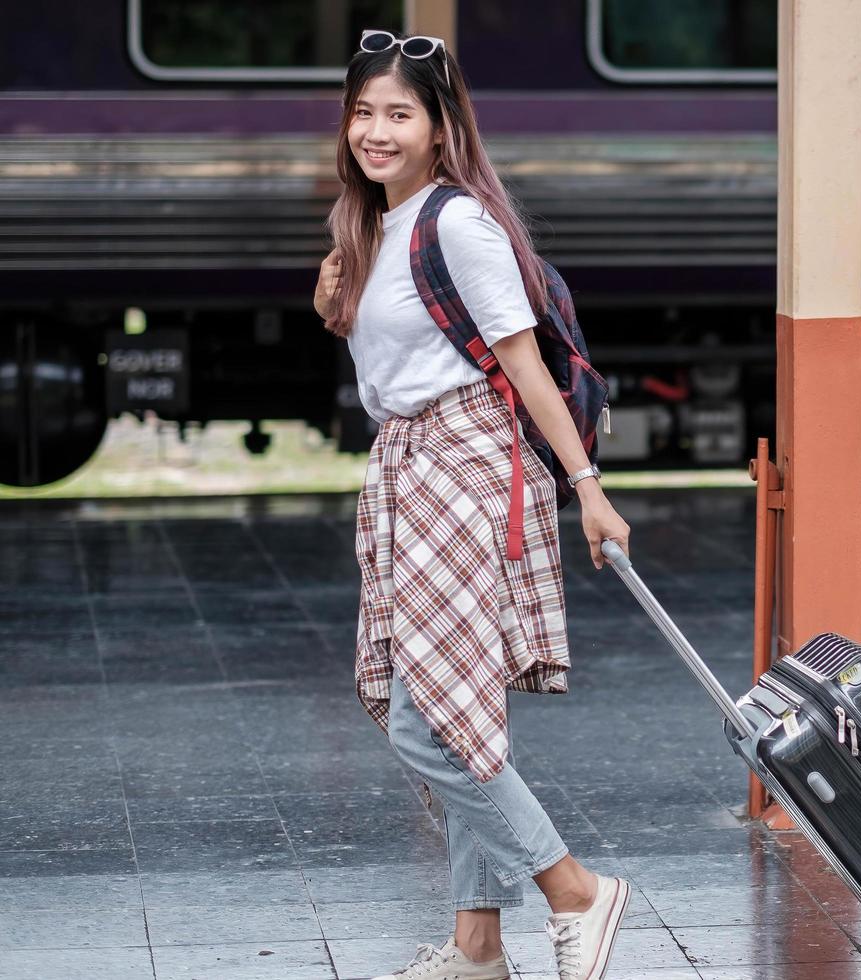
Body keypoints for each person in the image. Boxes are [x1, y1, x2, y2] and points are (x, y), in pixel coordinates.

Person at [313, 29, 633, 980]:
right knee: (448, 710)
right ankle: (478, 947)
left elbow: (524, 365)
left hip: (466, 465)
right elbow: (392, 364)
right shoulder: (370, 225)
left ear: (442, 129)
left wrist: (589, 490)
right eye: (364, 112)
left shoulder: (458, 224)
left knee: (430, 721)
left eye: (399, 114)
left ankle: (575, 890)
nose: (377, 131)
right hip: (408, 470)